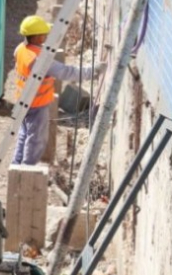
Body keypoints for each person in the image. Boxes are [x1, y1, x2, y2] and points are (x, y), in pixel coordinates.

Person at [12, 15, 104, 165]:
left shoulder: (21, 49)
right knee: (36, 138)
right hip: (36, 103)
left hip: (22, 99)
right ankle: (27, 168)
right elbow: (67, 72)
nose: (46, 36)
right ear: (36, 37)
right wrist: (93, 71)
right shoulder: (40, 60)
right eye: (44, 34)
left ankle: (16, 165)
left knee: (24, 133)